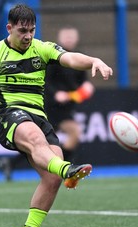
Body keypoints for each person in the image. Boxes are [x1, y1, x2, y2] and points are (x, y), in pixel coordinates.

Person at [0, 4, 112, 227]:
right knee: (38, 143)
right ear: (9, 28)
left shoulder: (41, 48)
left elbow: (71, 58)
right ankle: (68, 170)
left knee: (50, 178)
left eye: (32, 30)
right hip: (8, 115)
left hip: (39, 116)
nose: (28, 36)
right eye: (22, 31)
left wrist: (94, 60)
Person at [45, 26, 95, 162]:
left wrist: (86, 86)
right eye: (66, 36)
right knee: (74, 132)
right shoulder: (53, 56)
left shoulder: (78, 57)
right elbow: (45, 81)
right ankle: (64, 166)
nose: (69, 39)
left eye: (71, 36)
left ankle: (9, 163)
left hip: (67, 104)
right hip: (52, 106)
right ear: (59, 38)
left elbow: (83, 81)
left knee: (43, 140)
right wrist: (56, 94)